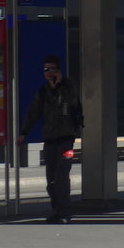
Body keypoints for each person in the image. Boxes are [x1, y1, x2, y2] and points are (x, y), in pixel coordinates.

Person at [18, 55, 83, 224]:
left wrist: (60, 86)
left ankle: (65, 213)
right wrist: (24, 132)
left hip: (66, 140)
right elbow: (34, 112)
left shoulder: (69, 87)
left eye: (52, 69)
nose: (49, 72)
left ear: (59, 70)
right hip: (50, 140)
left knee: (62, 177)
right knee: (51, 179)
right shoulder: (43, 91)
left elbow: (72, 103)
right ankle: (56, 211)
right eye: (46, 69)